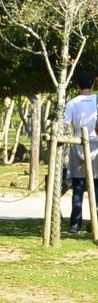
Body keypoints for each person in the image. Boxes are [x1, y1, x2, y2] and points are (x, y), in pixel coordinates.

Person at [64, 71, 98, 233]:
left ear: (77, 86)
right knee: (97, 186)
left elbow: (65, 125)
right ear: (92, 85)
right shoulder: (97, 101)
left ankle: (75, 224)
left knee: (78, 186)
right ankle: (95, 222)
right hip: (96, 145)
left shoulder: (71, 103)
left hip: (77, 144)